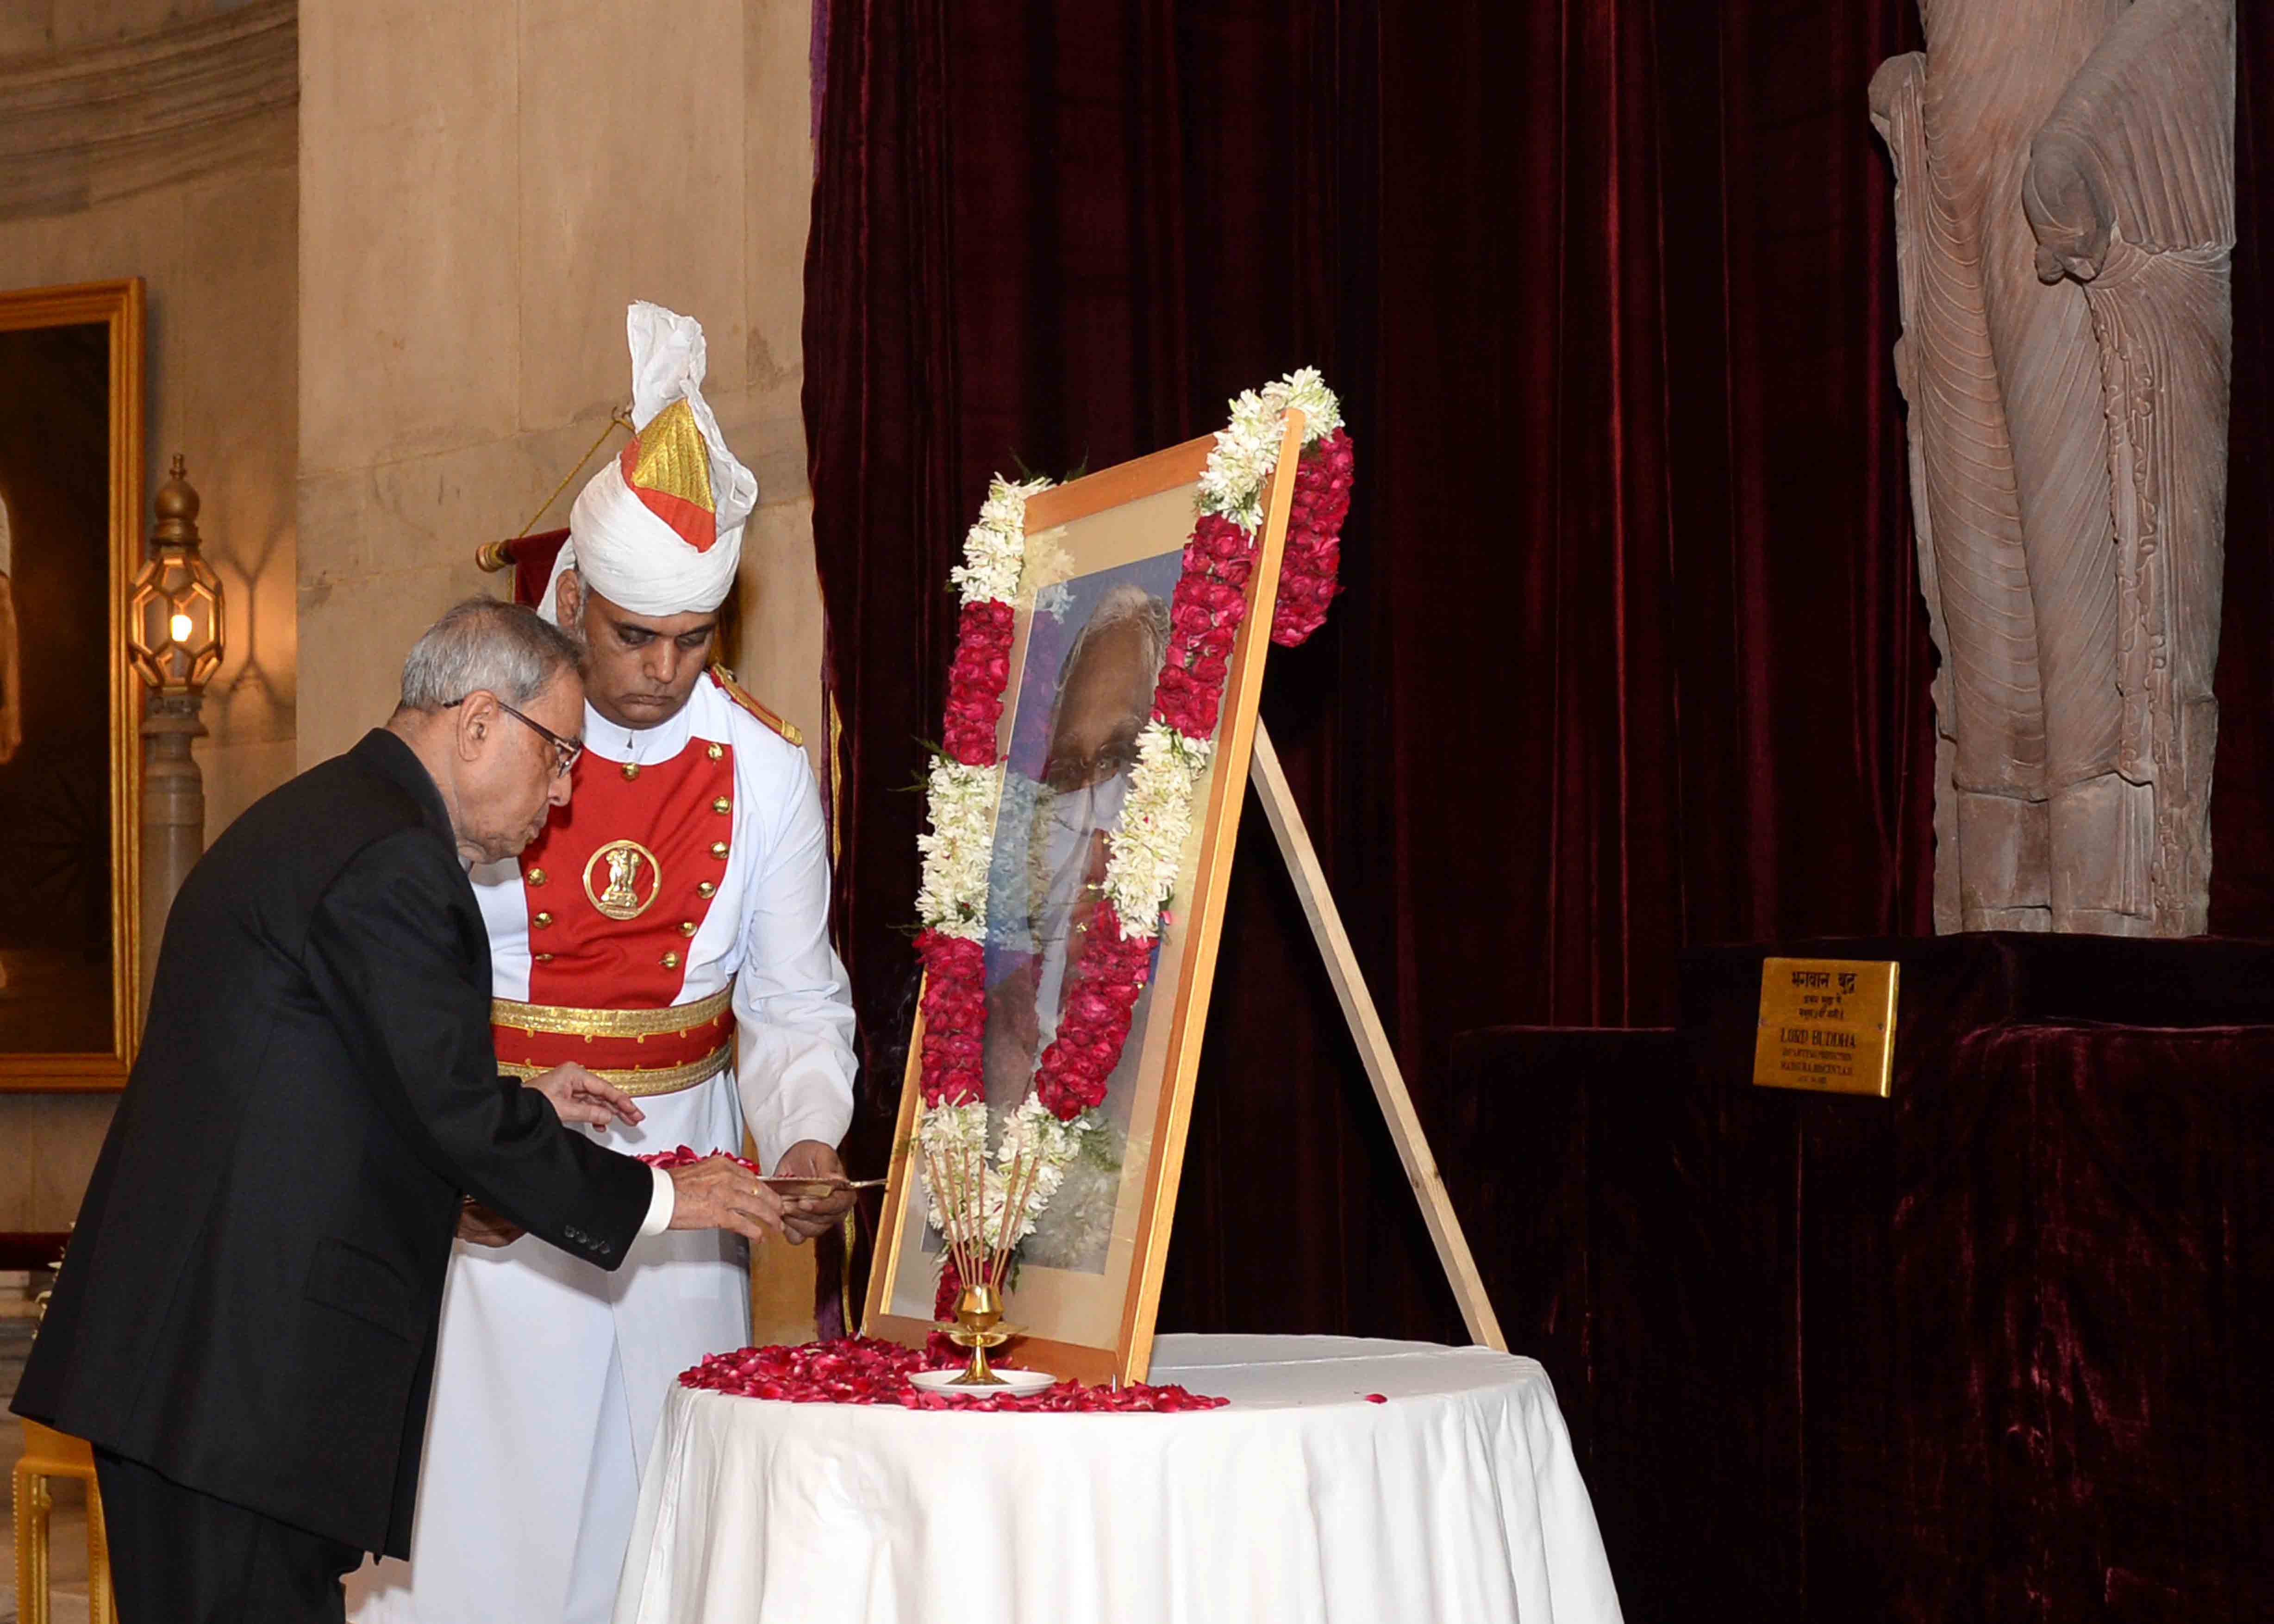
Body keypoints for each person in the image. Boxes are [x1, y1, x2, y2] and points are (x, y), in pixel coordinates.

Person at [9, 597, 786, 1624]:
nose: (560, 796)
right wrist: (660, 1197)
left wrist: (508, 1111)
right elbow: (449, 1115)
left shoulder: (336, 817)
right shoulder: (393, 858)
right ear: (476, 725)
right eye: (557, 756)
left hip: (207, 1374)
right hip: (232, 1381)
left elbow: (344, 1091)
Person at [348, 303, 858, 1624]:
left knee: (667, 1532)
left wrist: (804, 1134)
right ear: (572, 590)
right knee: (485, 1530)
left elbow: (795, 997)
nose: (661, 671)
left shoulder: (768, 765)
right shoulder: (490, 734)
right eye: (635, 636)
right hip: (504, 1181)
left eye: (692, 641)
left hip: (692, 1184)